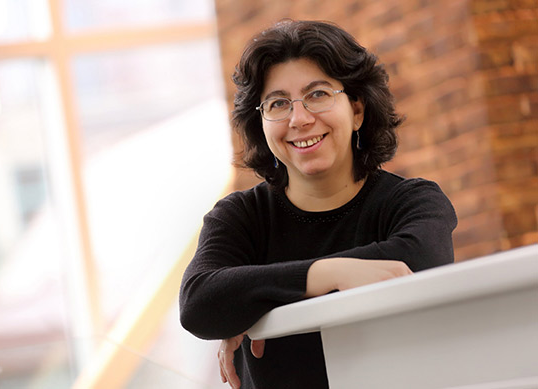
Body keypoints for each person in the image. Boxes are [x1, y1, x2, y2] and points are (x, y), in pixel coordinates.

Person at [179, 19, 457, 388]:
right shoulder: (241, 217)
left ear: (357, 110)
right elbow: (201, 301)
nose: (299, 119)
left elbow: (418, 260)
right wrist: (327, 276)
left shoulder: (412, 202)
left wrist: (257, 301)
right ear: (260, 123)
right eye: (278, 103)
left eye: (318, 94)